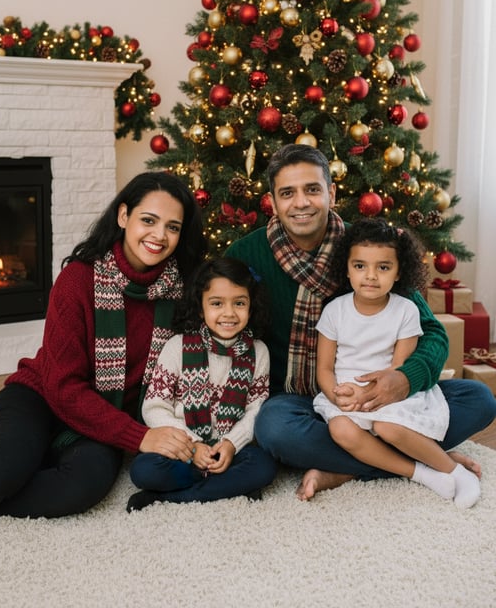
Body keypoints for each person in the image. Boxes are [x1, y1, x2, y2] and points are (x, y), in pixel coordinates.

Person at [226, 144, 496, 497]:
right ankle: (420, 460)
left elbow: (431, 334)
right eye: (287, 193)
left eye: (312, 189)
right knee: (274, 428)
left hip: (386, 397)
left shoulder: (370, 249)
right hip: (302, 401)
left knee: (479, 397)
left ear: (331, 193)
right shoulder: (246, 255)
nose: (301, 203)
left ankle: (344, 467)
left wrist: (401, 379)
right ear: (273, 202)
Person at [0, 171, 207, 518]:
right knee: (0, 474)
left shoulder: (184, 289)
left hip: (106, 415)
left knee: (81, 487)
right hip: (41, 396)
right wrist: (139, 438)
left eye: (173, 227)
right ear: (123, 216)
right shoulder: (78, 280)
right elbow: (62, 387)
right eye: (148, 220)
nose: (159, 235)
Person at [311, 218, 480, 509]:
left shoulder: (406, 311)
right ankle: (422, 473)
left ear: (400, 271)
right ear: (347, 269)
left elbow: (398, 369)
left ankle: (457, 473)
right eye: (360, 266)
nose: (371, 276)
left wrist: (373, 395)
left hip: (388, 393)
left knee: (388, 428)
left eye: (383, 267)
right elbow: (324, 368)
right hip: (345, 395)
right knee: (340, 430)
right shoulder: (334, 311)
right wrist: (336, 394)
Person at [127, 256, 276, 510]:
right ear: (200, 308)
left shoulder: (258, 351)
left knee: (264, 466)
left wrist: (231, 444)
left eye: (239, 303)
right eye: (217, 303)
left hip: (228, 449)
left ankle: (168, 498)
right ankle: (223, 486)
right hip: (185, 450)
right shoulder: (178, 347)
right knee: (143, 470)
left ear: (250, 308)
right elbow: (154, 407)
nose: (229, 313)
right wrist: (192, 445)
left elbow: (256, 408)